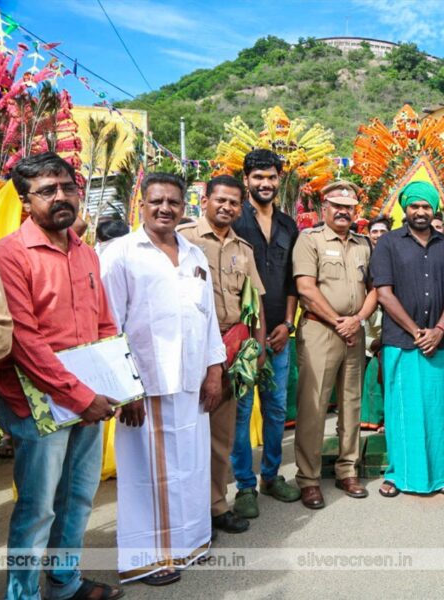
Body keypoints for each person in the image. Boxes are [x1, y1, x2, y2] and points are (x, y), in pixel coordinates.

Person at [0, 153, 122, 600]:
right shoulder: (10, 255)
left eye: (68, 186)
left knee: (78, 498)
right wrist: (79, 395)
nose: (61, 197)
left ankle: (65, 582)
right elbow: (25, 342)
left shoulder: (86, 252)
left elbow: (105, 323)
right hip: (36, 403)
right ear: (24, 201)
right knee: (36, 509)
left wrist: (119, 385)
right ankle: (23, 594)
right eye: (47, 191)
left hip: (85, 397)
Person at [100, 172, 225, 586]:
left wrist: (214, 371)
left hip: (191, 382)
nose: (165, 208)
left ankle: (191, 544)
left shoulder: (193, 255)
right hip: (146, 385)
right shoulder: (121, 253)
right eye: (157, 201)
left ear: (184, 206)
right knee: (147, 474)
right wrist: (125, 388)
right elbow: (109, 325)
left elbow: (207, 321)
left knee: (189, 467)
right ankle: (150, 558)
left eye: (174, 201)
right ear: (143, 204)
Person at [177, 174, 267, 537]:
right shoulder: (183, 239)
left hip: (232, 349)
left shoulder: (243, 249)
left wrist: (257, 345)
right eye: (221, 200)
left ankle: (216, 506)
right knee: (186, 434)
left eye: (234, 202)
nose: (227, 207)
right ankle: (189, 513)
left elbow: (255, 298)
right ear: (205, 199)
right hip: (192, 349)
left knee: (221, 436)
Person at [370, 181, 444, 497]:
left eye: (426, 206)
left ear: (434, 208)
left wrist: (437, 330)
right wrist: (415, 330)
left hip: (439, 341)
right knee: (402, 411)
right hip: (401, 342)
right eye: (414, 206)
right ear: (404, 209)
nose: (420, 212)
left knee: (437, 410)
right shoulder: (388, 244)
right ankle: (399, 475)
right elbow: (384, 292)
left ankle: (442, 474)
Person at [293, 181, 377, 508]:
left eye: (349, 207)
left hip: (353, 331)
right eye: (336, 206)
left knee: (351, 403)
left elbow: (374, 288)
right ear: (324, 208)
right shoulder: (310, 240)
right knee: (313, 407)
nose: (343, 211)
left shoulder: (363, 244)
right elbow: (306, 289)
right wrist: (338, 321)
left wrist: (357, 320)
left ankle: (347, 470)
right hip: (320, 330)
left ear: (356, 211)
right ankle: (309, 479)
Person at [230, 149, 301, 518]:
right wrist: (252, 333)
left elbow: (294, 281)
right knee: (242, 411)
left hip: (279, 334)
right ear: (246, 180)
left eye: (271, 177)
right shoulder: (234, 220)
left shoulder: (290, 226)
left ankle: (271, 476)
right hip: (243, 337)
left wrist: (286, 324)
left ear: (279, 180)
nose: (265, 184)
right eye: (258, 177)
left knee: (275, 410)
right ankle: (244, 484)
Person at [361, 215, 391, 431]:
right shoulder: (362, 259)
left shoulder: (395, 256)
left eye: (383, 232)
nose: (379, 236)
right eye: (375, 232)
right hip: (365, 330)